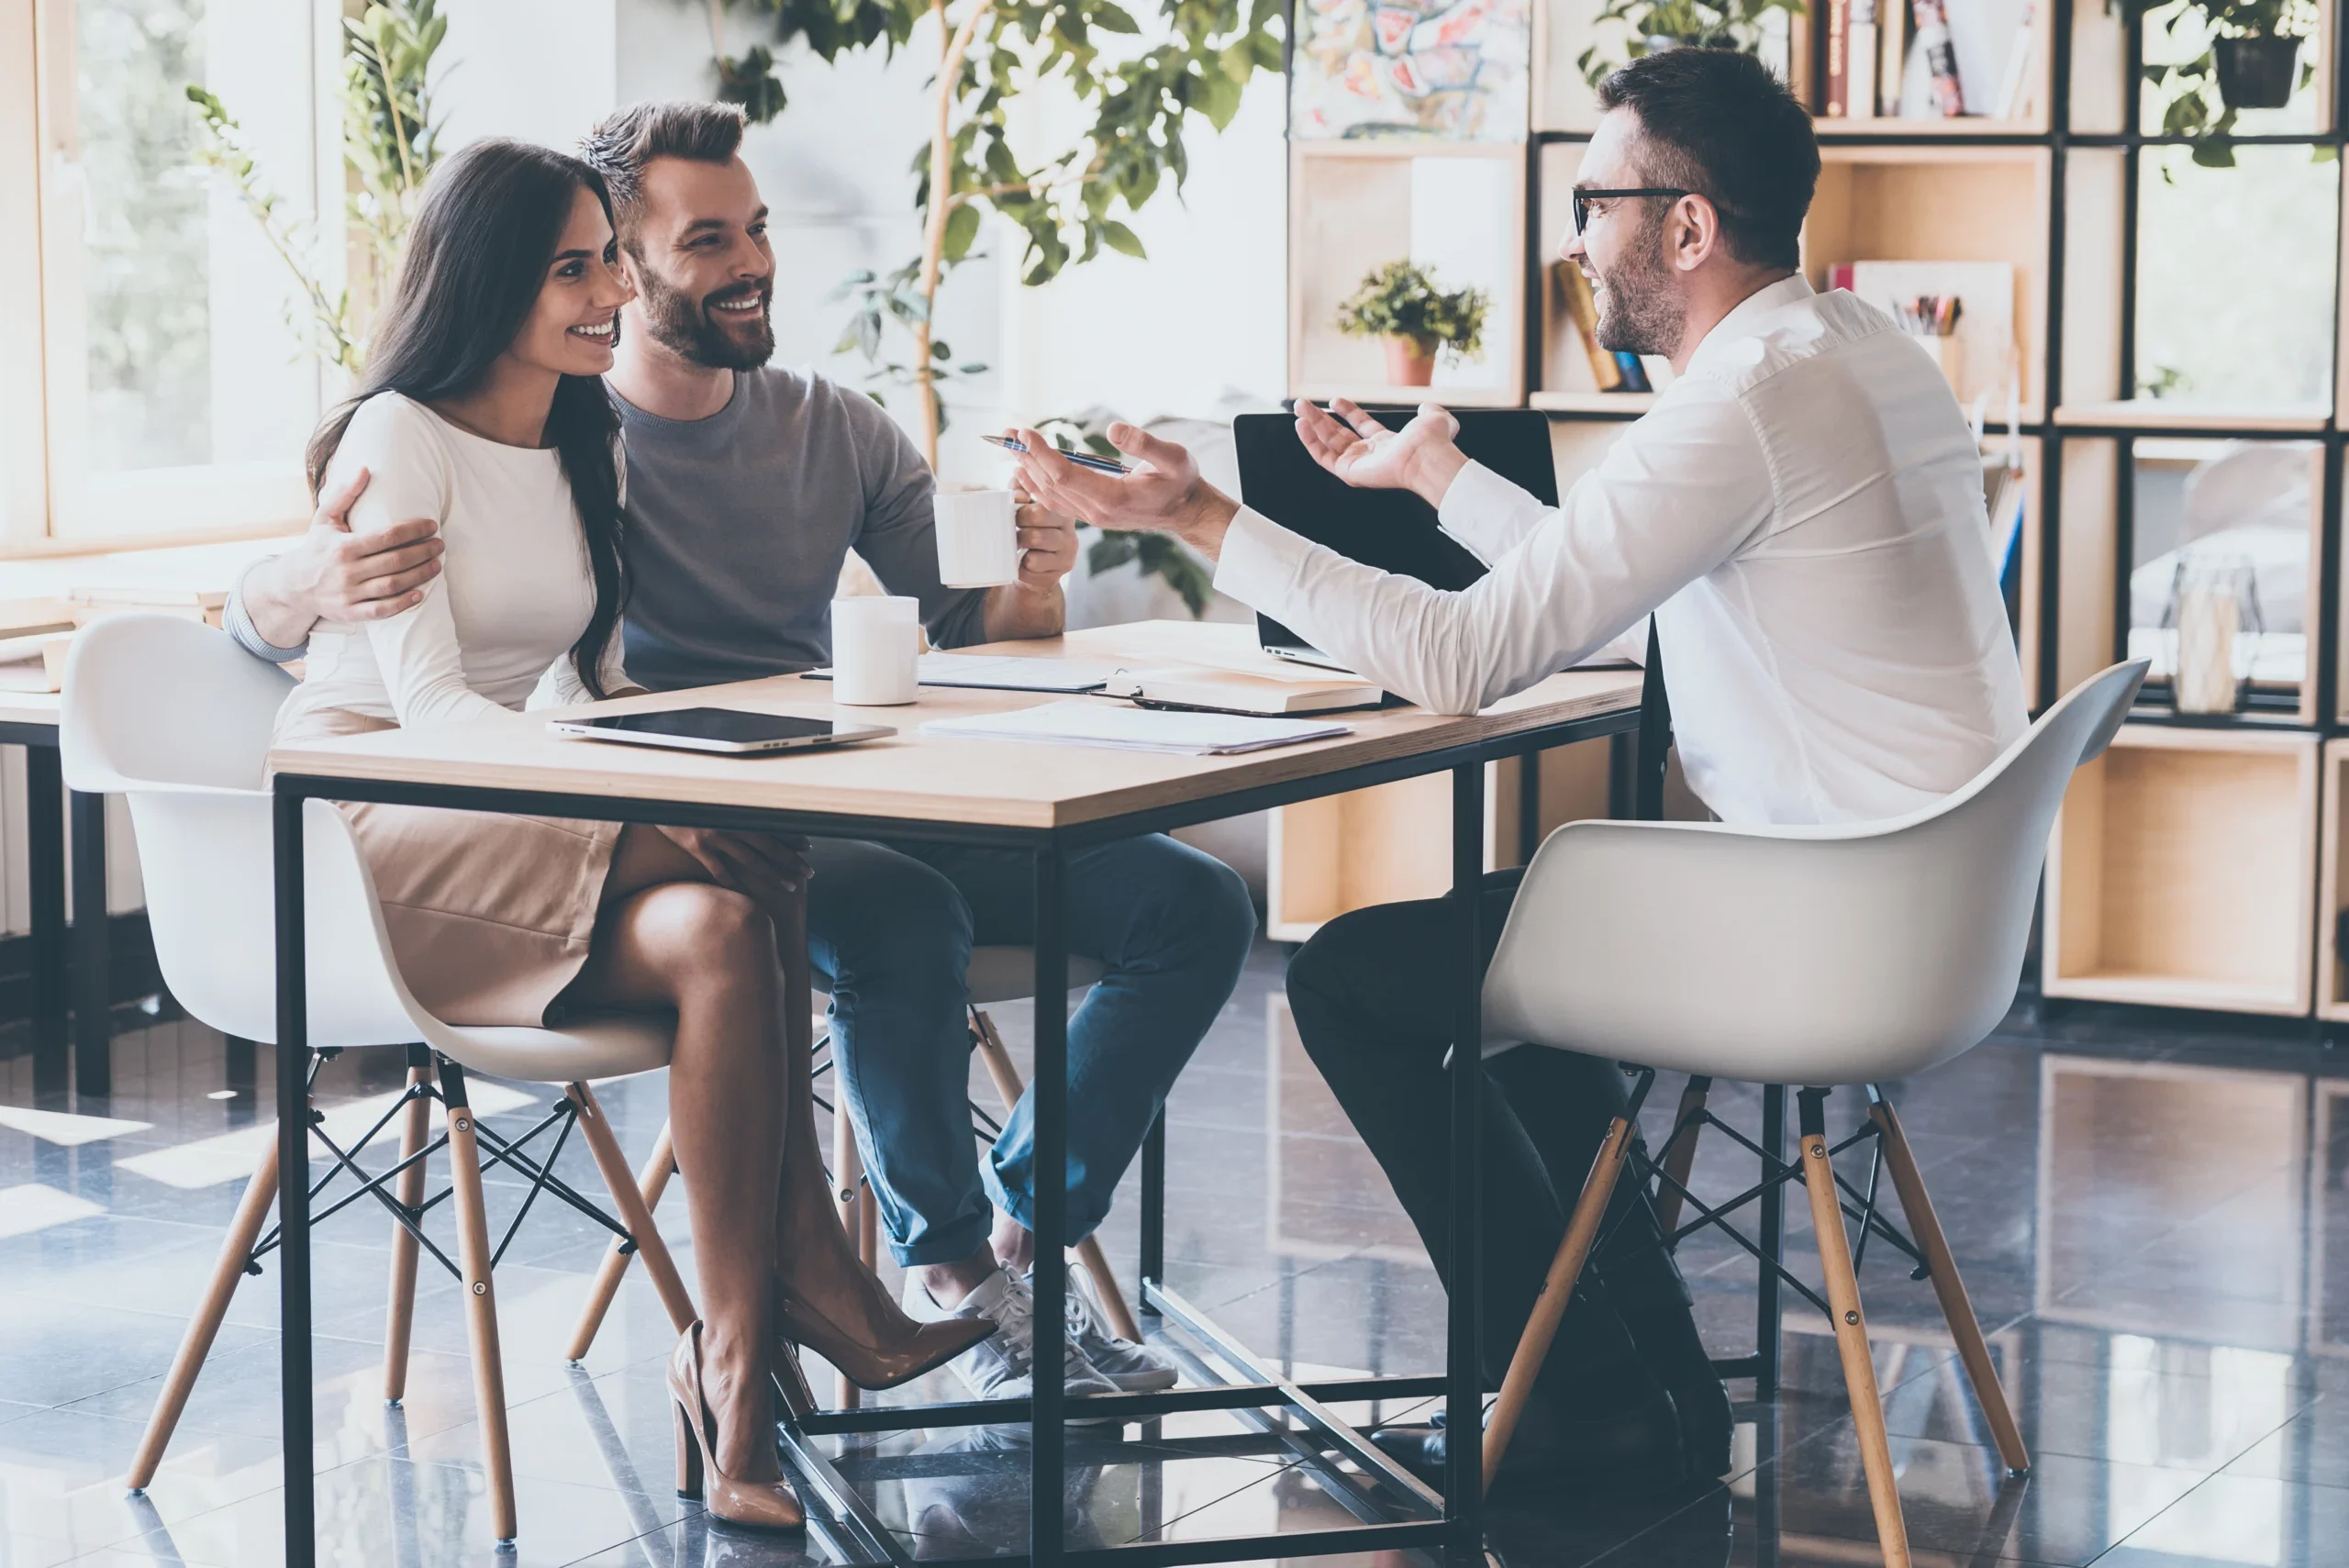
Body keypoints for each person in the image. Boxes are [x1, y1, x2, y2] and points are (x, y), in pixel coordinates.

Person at [1010, 46, 2028, 1496]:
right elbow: (1616, 574)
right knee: (1530, 968)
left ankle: (1579, 1390)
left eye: (1594, 199)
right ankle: (1616, 1388)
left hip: (1831, 931)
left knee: (1360, 981)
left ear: (1684, 226)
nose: (1574, 237)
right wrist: (1432, 475)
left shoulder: (1736, 404)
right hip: (1932, 917)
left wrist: (1200, 515)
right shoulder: (1856, 349)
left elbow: (1466, 657)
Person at [225, 102, 1258, 1407]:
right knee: (898, 912)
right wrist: (295, 577)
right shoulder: (550, 429)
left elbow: (975, 629)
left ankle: (1024, 1230)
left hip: (859, 781)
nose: (752, 261)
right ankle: (943, 1281)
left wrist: (1034, 577)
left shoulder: (821, 426)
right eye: (704, 239)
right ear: (625, 268)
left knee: (1192, 901)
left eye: (757, 228)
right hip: (681, 819)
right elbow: (291, 626)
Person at [273, 138, 991, 1531]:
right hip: (375, 813)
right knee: (749, 848)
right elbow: (427, 710)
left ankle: (735, 1379)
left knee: (729, 913)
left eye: (611, 256)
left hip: (515, 808)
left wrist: (648, 764)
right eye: (576, 267)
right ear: (490, 283)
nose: (614, 289)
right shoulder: (399, 438)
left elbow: (579, 688)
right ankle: (811, 1304)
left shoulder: (579, 435)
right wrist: (638, 794)